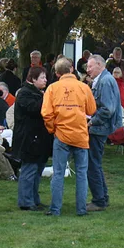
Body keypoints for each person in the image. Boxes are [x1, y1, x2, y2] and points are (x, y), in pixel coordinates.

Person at [41, 57, 96, 216]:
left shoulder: (52, 88)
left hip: (61, 135)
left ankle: (55, 209)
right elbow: (91, 110)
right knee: (81, 173)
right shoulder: (84, 87)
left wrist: (53, 129)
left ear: (57, 73)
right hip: (80, 134)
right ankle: (81, 209)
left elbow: (46, 113)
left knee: (58, 173)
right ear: (72, 69)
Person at [86, 54, 123, 212]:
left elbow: (107, 109)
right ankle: (103, 197)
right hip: (101, 127)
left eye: (90, 66)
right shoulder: (105, 79)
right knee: (95, 163)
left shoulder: (105, 81)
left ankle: (99, 200)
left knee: (92, 165)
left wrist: (92, 121)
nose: (87, 70)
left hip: (99, 128)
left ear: (100, 65)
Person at [12, 67, 53, 211]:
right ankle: (25, 201)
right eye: (42, 77)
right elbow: (36, 109)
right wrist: (48, 99)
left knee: (37, 170)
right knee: (29, 169)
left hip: (39, 139)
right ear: (33, 79)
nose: (45, 80)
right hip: (29, 139)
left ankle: (34, 199)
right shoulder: (25, 94)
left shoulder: (37, 93)